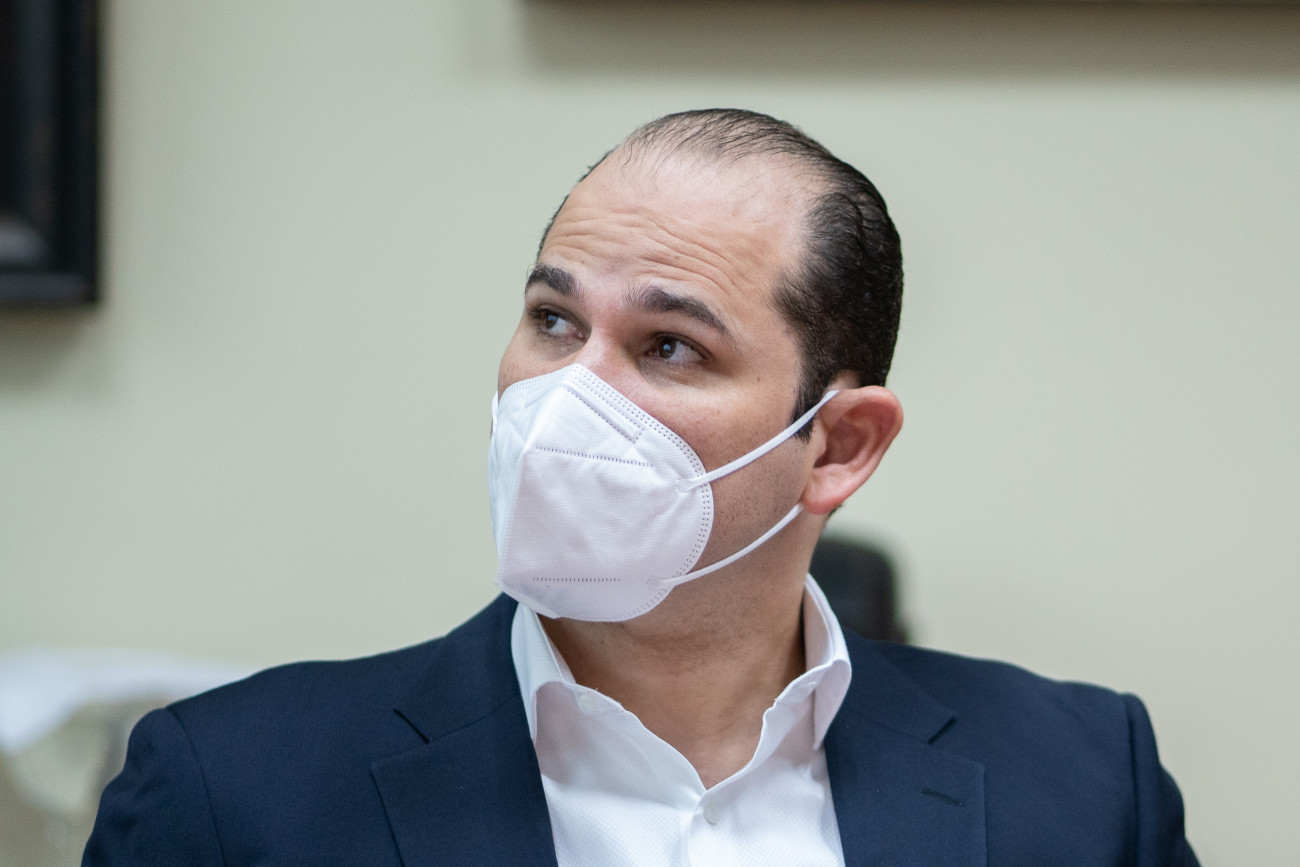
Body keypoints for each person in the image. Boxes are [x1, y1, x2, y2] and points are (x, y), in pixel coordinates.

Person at [84, 109, 1198, 866]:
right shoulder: (231, 789)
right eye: (553, 320)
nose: (567, 396)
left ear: (838, 446)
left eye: (669, 346)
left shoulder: (1087, 779)